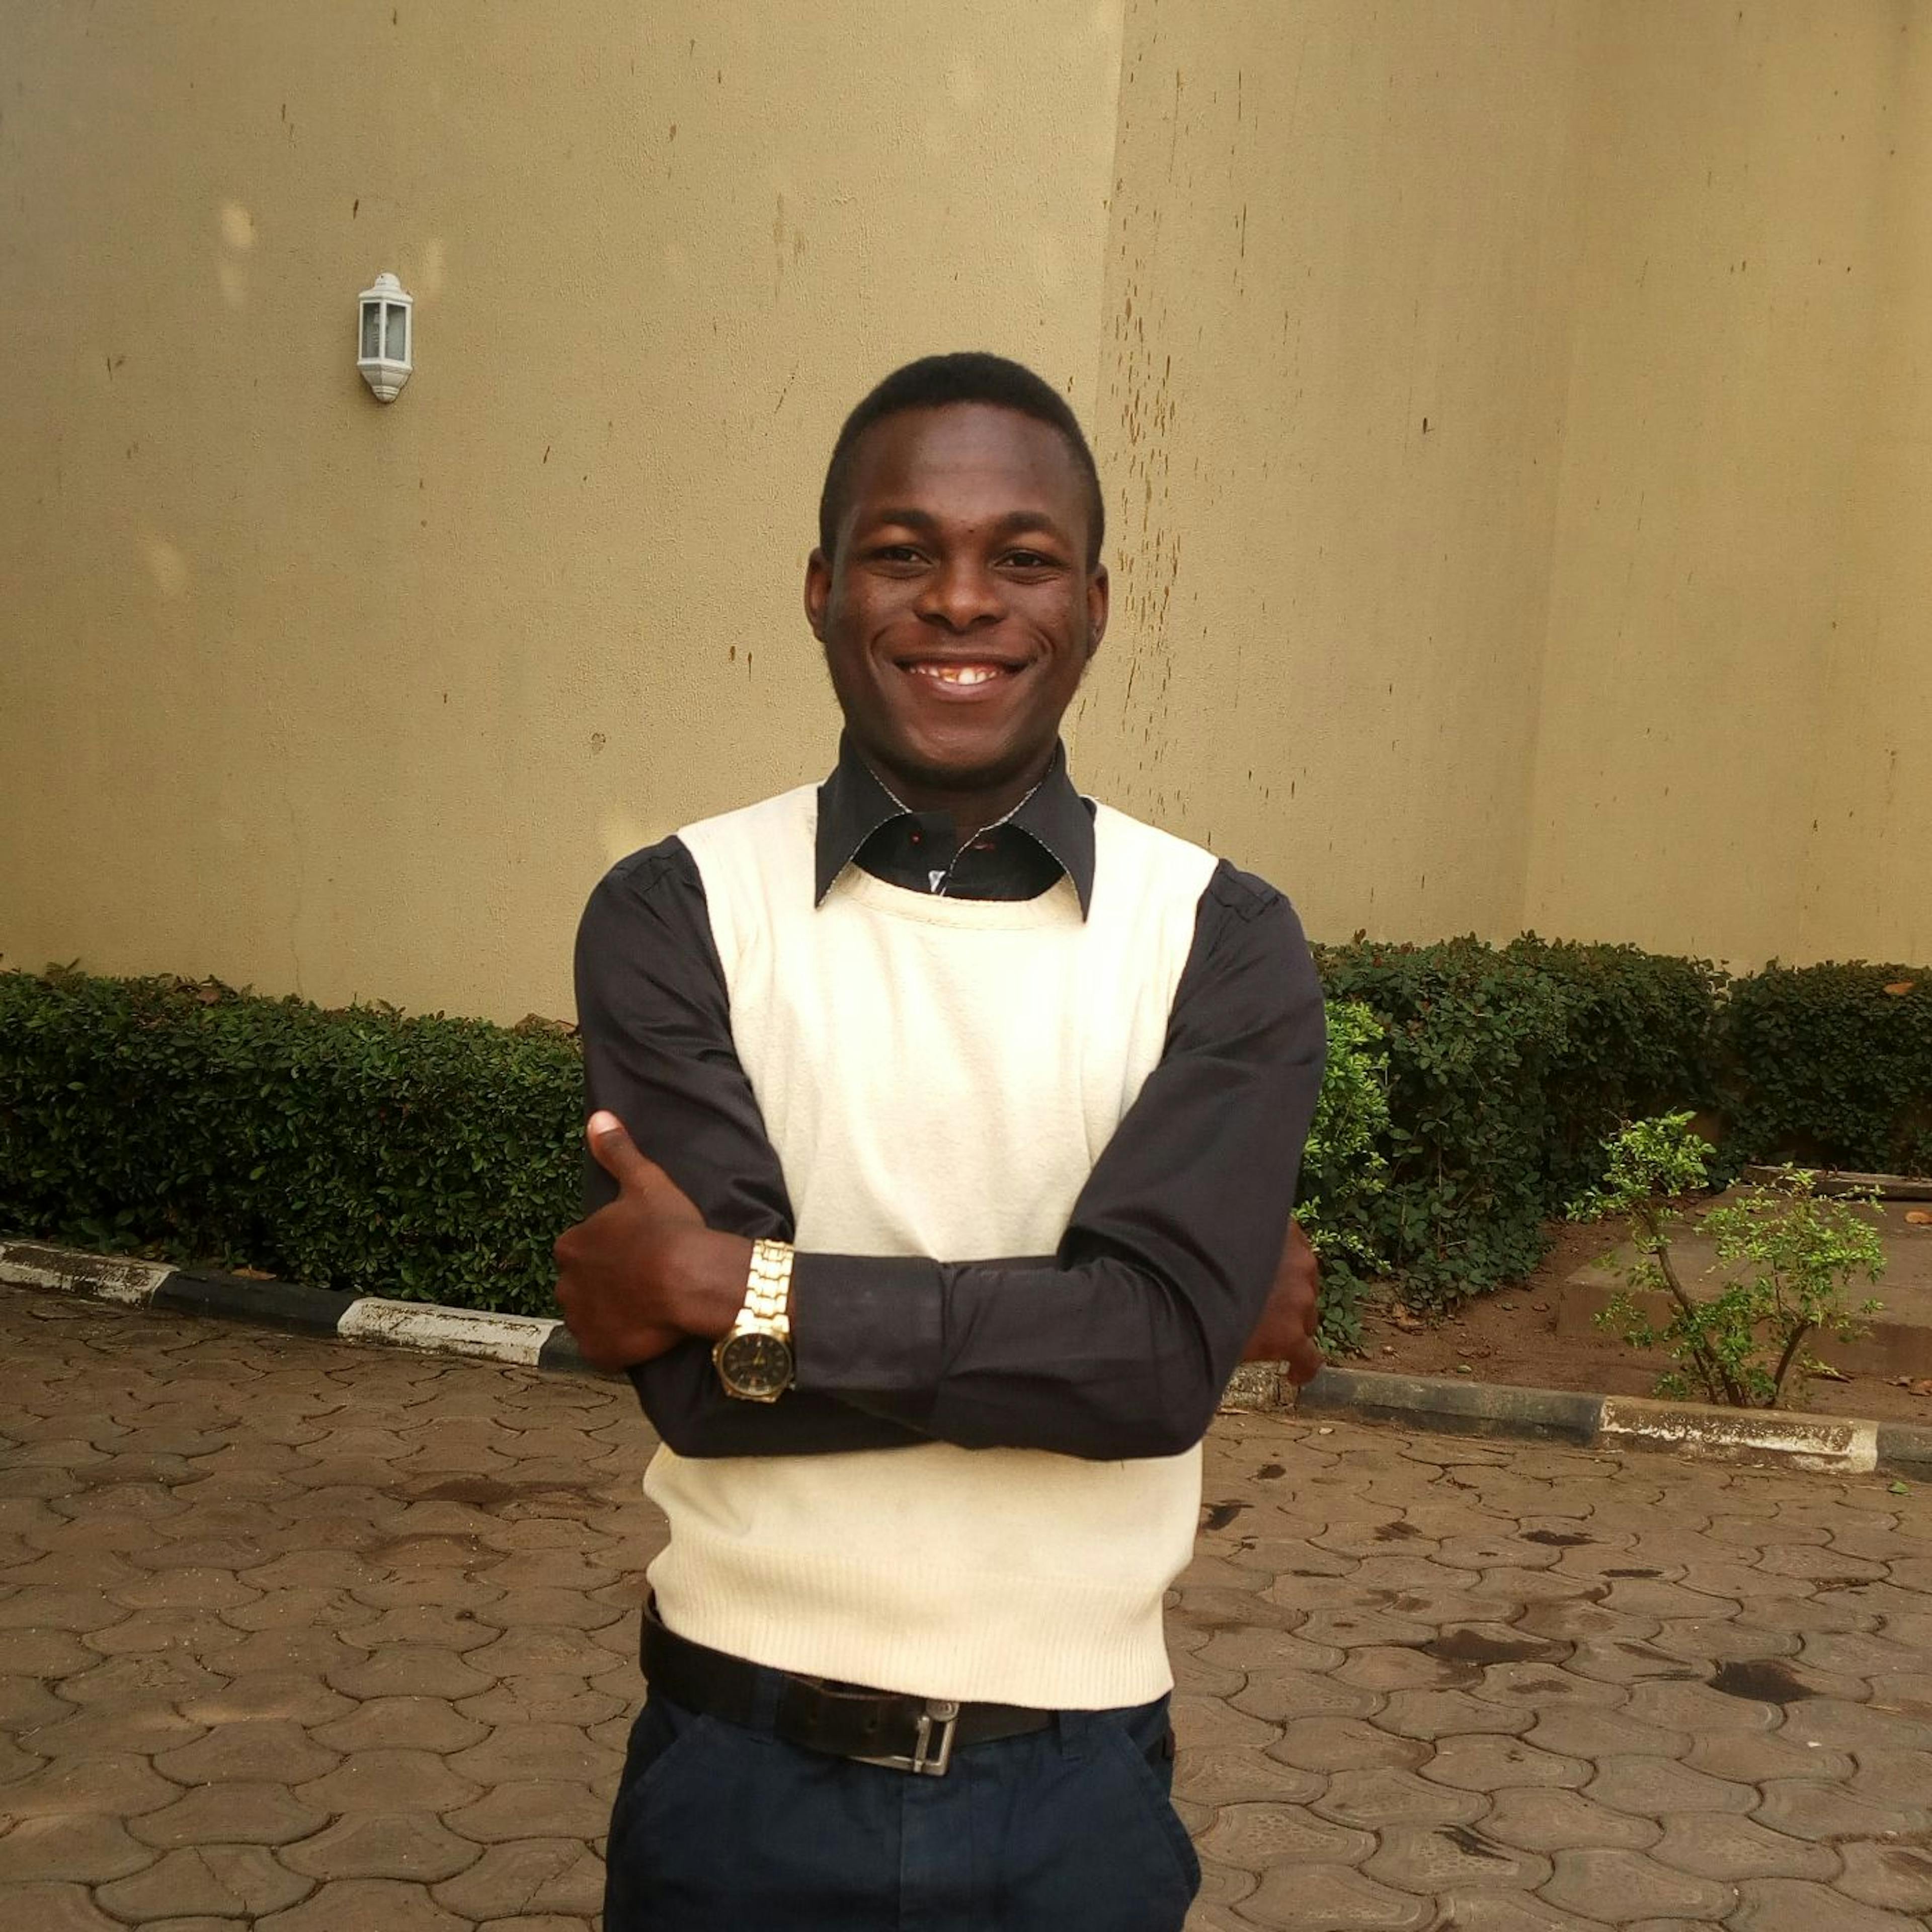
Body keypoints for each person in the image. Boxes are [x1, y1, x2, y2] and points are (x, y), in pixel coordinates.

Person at [555, 351, 1327, 1931]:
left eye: (1021, 560)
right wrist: (1119, 1328)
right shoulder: (676, 910)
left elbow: (1154, 1378)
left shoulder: (1222, 938)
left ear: (1094, 606)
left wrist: (745, 1284)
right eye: (906, 552)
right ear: (824, 588)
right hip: (734, 1776)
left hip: (1075, 1800)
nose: (962, 601)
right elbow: (708, 1395)